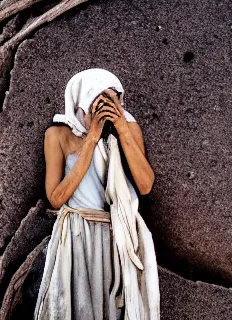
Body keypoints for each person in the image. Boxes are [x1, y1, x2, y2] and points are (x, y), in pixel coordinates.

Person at [34, 68, 160, 320]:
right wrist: (91, 139)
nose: (106, 109)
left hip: (119, 235)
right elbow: (56, 198)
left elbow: (145, 185)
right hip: (78, 236)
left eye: (112, 101)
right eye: (98, 102)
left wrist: (122, 130)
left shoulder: (127, 129)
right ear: (82, 102)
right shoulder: (57, 135)